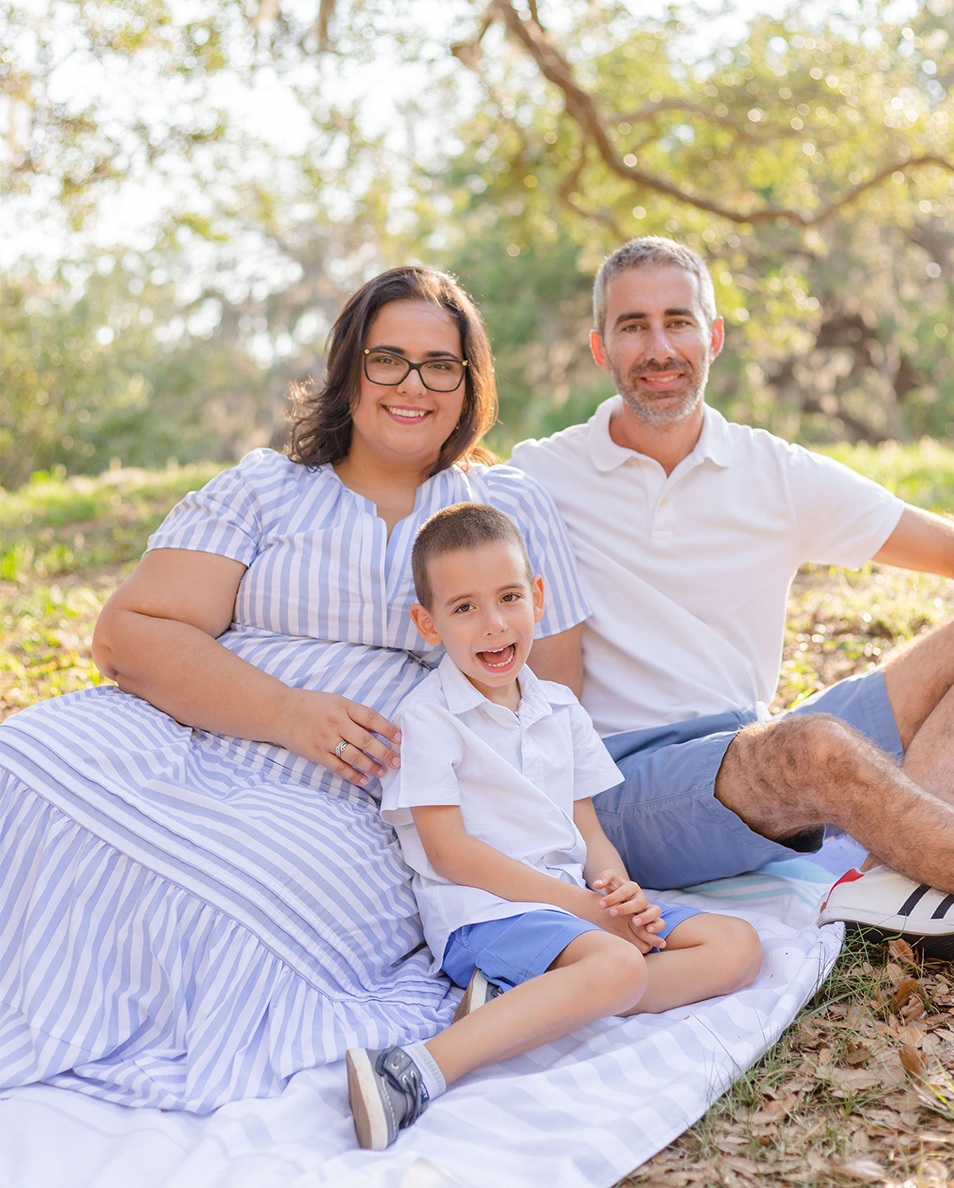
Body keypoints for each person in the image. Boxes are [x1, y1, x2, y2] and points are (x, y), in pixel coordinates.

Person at [0, 267, 591, 1112]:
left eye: (440, 364)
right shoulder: (267, 487)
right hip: (180, 730)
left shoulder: (506, 507)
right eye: (388, 359)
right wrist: (284, 712)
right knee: (18, 763)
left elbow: (548, 709)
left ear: (470, 385)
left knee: (237, 892)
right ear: (349, 370)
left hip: (356, 795)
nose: (413, 385)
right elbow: (127, 634)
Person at [510, 236, 954, 966]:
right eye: (632, 325)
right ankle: (940, 864)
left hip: (746, 749)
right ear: (599, 348)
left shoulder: (772, 471)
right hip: (624, 787)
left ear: (715, 335)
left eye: (678, 320)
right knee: (812, 746)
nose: (659, 345)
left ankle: (905, 879)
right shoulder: (541, 477)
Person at [346, 502, 762, 1150]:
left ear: (538, 598)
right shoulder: (429, 718)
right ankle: (418, 1068)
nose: (493, 625)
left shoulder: (559, 707)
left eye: (509, 597)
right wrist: (590, 914)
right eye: (464, 608)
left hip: (576, 910)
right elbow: (451, 854)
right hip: (486, 912)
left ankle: (527, 1003)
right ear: (427, 623)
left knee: (736, 948)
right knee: (620, 967)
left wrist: (617, 892)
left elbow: (587, 831)